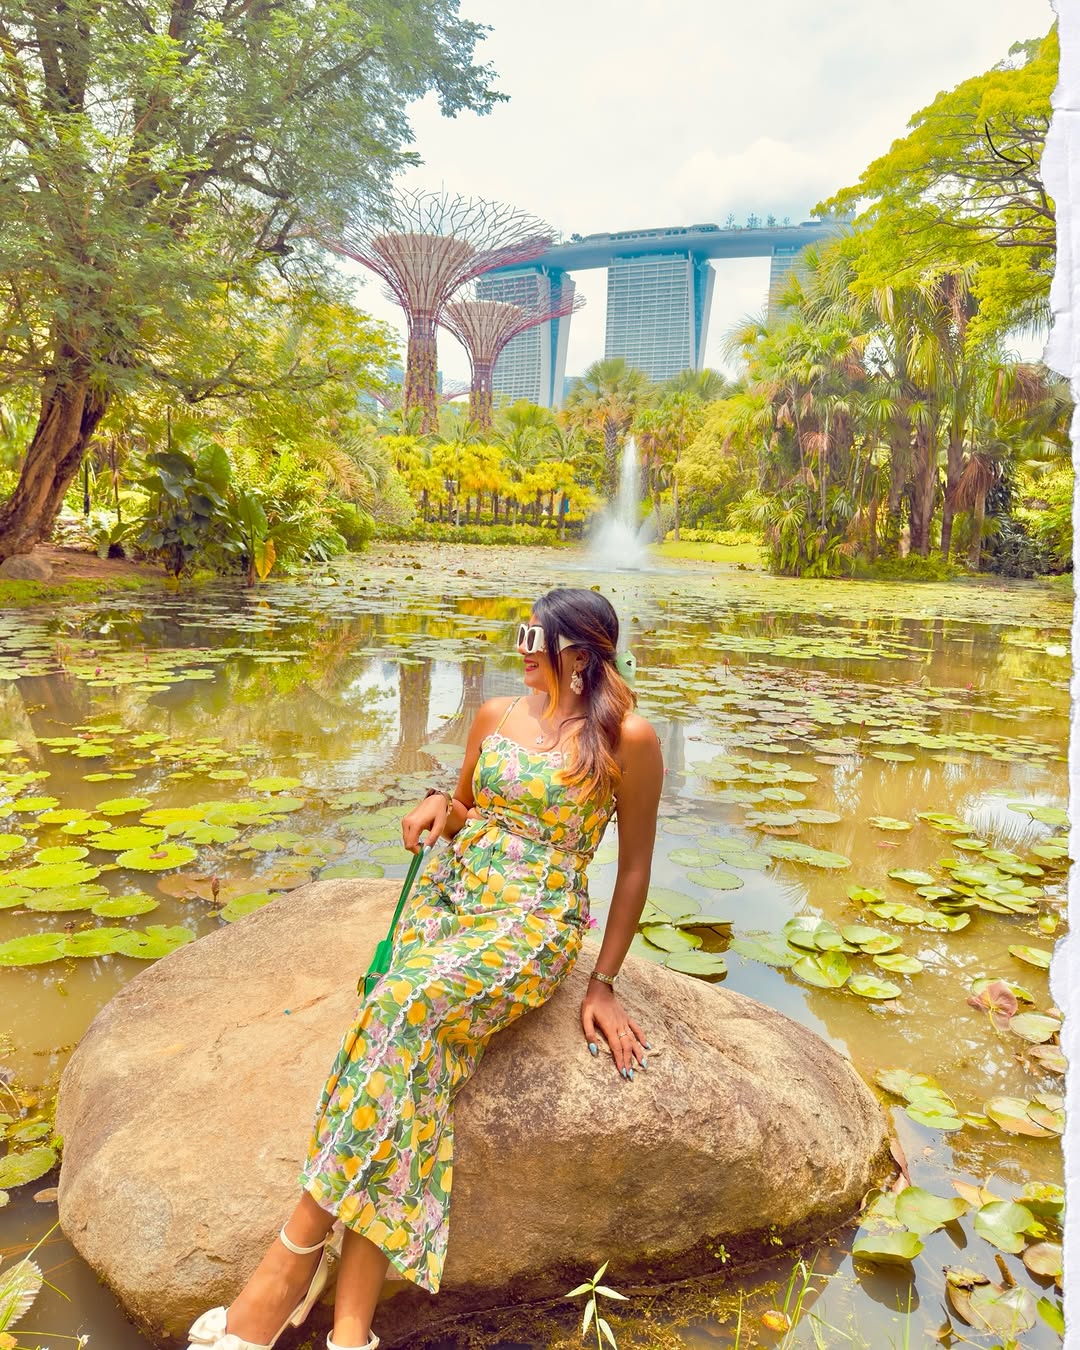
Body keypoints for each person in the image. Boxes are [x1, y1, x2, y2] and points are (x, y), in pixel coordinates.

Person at [185, 587, 664, 1350]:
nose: (518, 649)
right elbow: (470, 808)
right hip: (452, 896)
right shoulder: (495, 714)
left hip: (529, 921)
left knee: (402, 1006)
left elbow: (634, 867)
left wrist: (601, 982)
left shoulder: (626, 738)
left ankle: (289, 1261)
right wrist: (441, 807)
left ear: (578, 652)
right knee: (409, 1059)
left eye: (532, 637)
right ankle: (350, 1332)